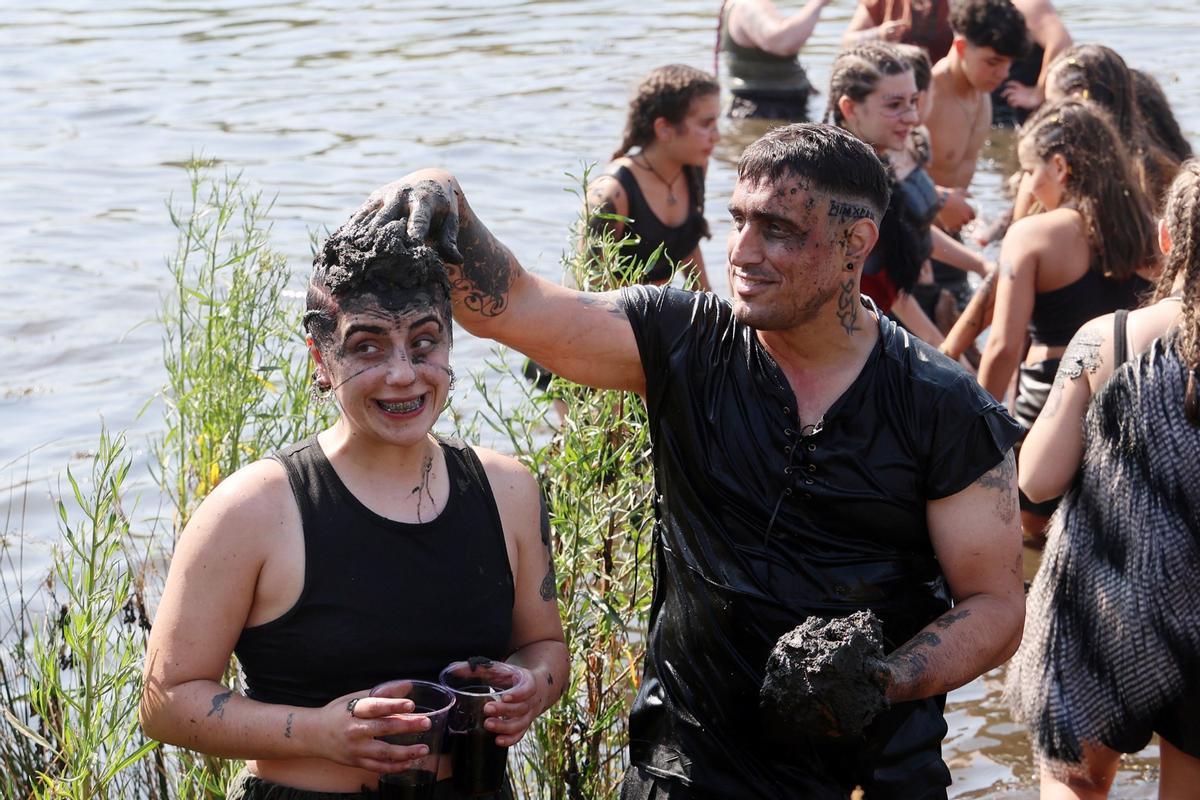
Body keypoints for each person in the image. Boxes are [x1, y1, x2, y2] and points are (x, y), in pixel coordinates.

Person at [367, 122, 1025, 797]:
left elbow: (996, 604)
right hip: (686, 766)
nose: (741, 252)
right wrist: (446, 204)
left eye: (778, 229)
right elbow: (520, 307)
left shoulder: (944, 407)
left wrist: (884, 678)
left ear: (856, 243)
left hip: (875, 772)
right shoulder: (684, 342)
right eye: (737, 220)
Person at [139, 208, 569, 798]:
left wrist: (531, 685)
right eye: (367, 347)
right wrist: (317, 732)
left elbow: (546, 646)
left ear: (449, 342)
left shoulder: (508, 490)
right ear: (321, 361)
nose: (402, 374)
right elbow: (166, 702)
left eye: (424, 342)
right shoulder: (253, 510)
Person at [1007, 160, 1200, 800]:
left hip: (1106, 603)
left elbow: (1035, 480)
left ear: (1168, 241)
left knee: (1076, 781)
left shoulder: (1107, 336)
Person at [975, 99, 1157, 543]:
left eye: (1029, 171)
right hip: (1128, 397)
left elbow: (1002, 347)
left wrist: (974, 437)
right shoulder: (1151, 229)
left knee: (1036, 534)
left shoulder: (1033, 235)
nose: (1025, 184)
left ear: (1059, 167)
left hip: (1049, 404)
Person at [827, 42, 987, 344]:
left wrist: (979, 265)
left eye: (913, 101)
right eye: (894, 105)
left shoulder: (875, 165)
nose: (912, 117)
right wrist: (949, 357)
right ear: (850, 108)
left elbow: (908, 230)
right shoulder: (837, 185)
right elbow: (887, 292)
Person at [925, 0, 1029, 307]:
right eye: (993, 62)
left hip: (953, 243)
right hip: (919, 248)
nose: (1003, 74)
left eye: (1008, 64)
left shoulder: (982, 96)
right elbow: (888, 176)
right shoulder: (926, 97)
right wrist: (940, 199)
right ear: (960, 47)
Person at [586, 64, 719, 290]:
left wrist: (715, 311)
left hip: (662, 308)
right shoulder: (613, 193)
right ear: (664, 129)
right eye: (707, 124)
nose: (717, 136)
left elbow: (687, 244)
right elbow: (590, 284)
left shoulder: (694, 169)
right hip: (619, 314)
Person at [716, 0, 833, 122]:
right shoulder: (749, 5)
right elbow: (782, 42)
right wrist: (818, 3)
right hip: (765, 109)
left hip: (765, 107)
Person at [990, 0, 1072, 127]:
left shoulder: (1028, 3)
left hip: (1021, 117)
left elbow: (1061, 42)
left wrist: (1037, 93)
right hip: (995, 116)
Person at [843, 0, 953, 63]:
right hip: (892, 82)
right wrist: (879, 34)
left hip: (943, 85)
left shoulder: (955, 3)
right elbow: (848, 41)